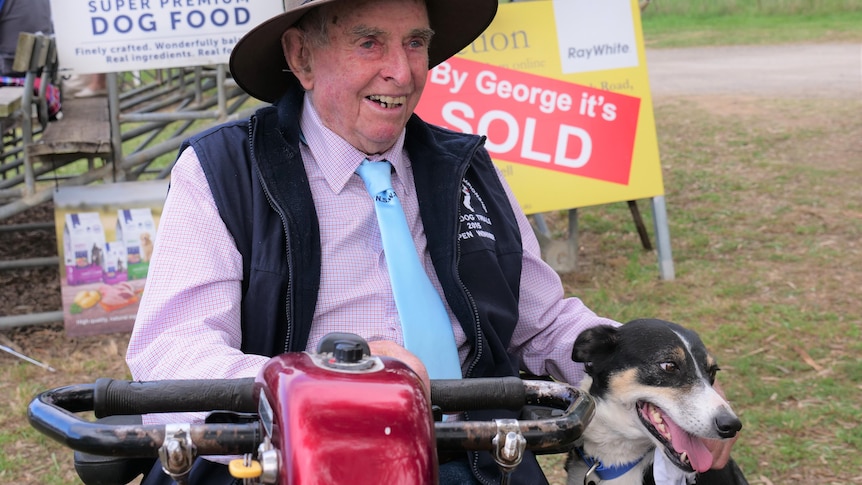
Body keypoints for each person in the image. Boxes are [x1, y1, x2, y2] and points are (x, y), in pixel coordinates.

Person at [126, 0, 739, 483]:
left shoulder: (463, 163)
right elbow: (169, 355)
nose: (403, 69)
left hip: (472, 454)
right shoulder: (223, 169)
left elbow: (544, 321)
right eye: (369, 42)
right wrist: (333, 386)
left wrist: (667, 377)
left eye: (416, 42)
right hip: (289, 459)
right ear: (301, 57)